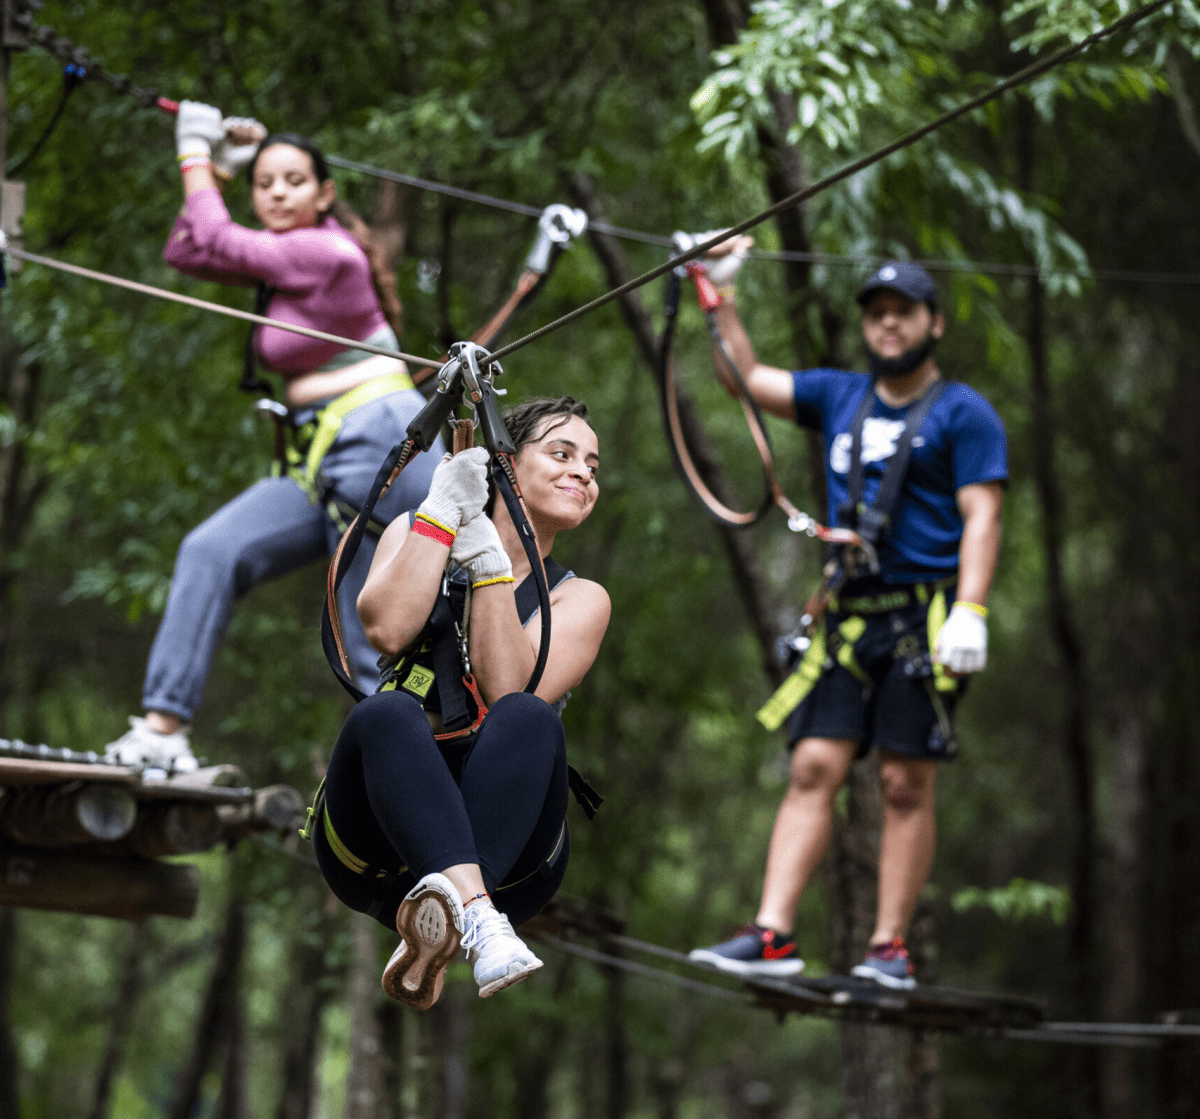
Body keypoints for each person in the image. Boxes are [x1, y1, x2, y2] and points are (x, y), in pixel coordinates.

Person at [688, 245, 1006, 989]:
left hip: (926, 615)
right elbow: (743, 376)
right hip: (848, 614)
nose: (888, 324)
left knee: (903, 780)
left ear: (934, 322)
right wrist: (722, 291)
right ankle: (771, 934)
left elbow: (982, 515)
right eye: (877, 313)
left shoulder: (964, 413)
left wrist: (972, 610)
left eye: (904, 312)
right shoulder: (839, 395)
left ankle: (889, 946)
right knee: (813, 765)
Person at [105, 101, 439, 771]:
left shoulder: (325, 250)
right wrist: (215, 177)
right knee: (212, 551)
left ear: (325, 193)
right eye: (264, 183)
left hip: (380, 447)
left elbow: (222, 241)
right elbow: (189, 247)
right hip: (322, 456)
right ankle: (163, 731)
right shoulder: (285, 257)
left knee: (367, 646)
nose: (278, 193)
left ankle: (424, 802)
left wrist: (194, 155)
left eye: (293, 180)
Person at [312, 397, 610, 1008]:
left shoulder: (582, 601)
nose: (584, 472)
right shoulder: (415, 529)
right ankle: (476, 921)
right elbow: (388, 632)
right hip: (375, 835)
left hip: (508, 855)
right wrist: (444, 515)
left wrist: (487, 563)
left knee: (529, 717)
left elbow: (509, 692)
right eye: (561, 453)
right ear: (505, 463)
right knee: (386, 711)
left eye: (593, 465)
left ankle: (457, 913)